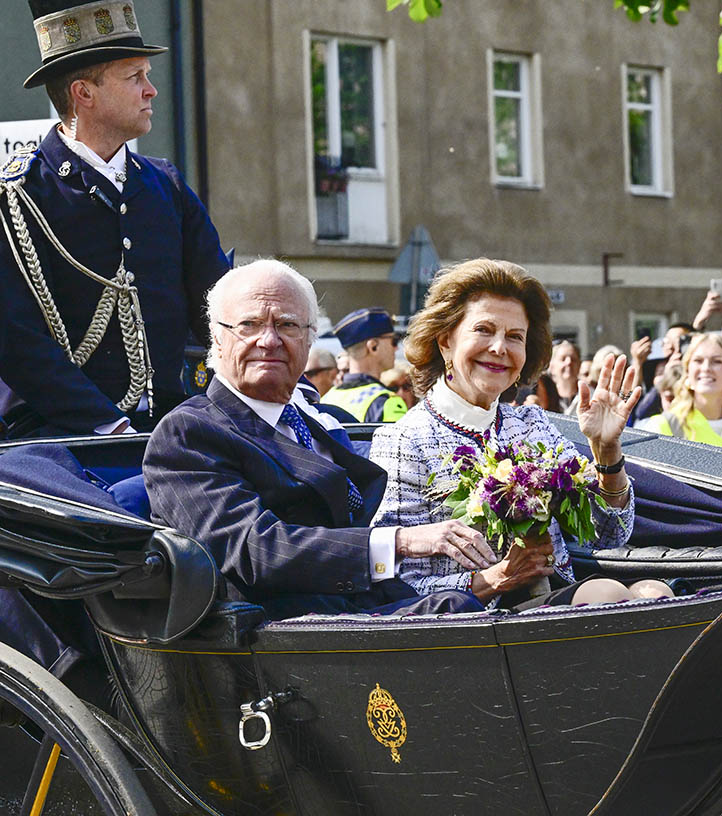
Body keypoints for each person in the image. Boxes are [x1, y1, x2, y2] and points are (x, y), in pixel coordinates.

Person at [143, 260, 493, 619]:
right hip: (284, 634)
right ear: (217, 337)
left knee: (515, 609)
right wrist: (400, 542)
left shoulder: (316, 421)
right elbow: (254, 549)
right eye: (249, 325)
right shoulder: (189, 432)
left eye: (287, 325)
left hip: (368, 603)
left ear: (309, 339)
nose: (269, 340)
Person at [369, 258, 672, 609]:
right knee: (609, 596)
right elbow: (394, 584)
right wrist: (497, 578)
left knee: (653, 592)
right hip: (479, 624)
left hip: (556, 598)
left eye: (515, 337)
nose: (500, 348)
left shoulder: (531, 424)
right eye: (483, 330)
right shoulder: (405, 440)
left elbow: (609, 535)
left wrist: (606, 451)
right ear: (445, 341)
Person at [0, 0, 229, 436]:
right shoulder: (18, 196)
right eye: (134, 77)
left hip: (172, 427)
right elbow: (15, 338)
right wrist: (108, 424)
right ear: (83, 93)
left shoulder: (166, 185)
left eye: (148, 75)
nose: (151, 90)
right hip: (61, 437)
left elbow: (221, 305)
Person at [643, 333, 722, 457]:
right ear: (687, 371)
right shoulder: (662, 426)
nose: (706, 368)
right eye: (698, 361)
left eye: (717, 361)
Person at [321, 308, 408, 422]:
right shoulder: (388, 403)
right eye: (394, 341)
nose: (396, 348)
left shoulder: (326, 399)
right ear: (373, 347)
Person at [548, 340, 581, 416]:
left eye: (573, 359)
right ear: (552, 366)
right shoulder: (544, 395)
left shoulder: (591, 396)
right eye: (563, 359)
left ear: (579, 365)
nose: (569, 362)